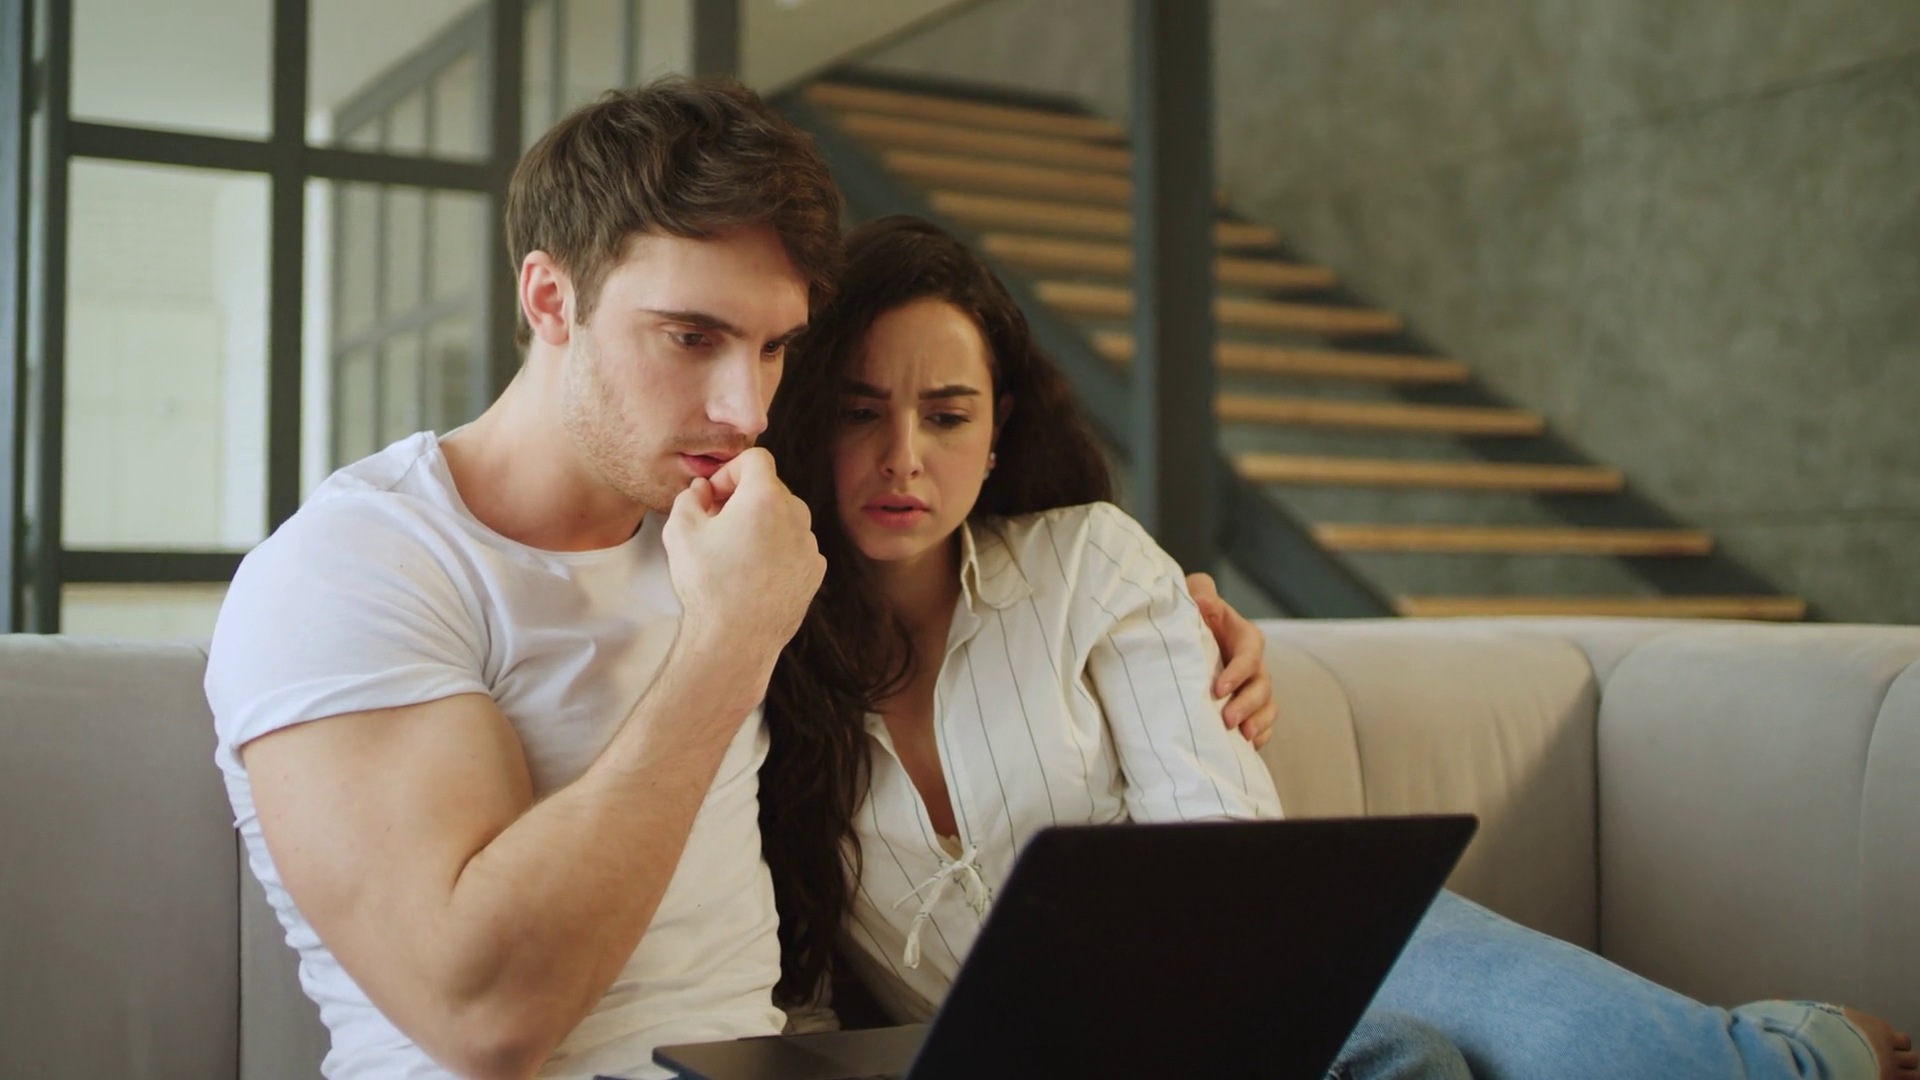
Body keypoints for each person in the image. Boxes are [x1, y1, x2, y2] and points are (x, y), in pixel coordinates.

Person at [203, 78, 1275, 1080]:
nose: (745, 410)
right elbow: (488, 1016)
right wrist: (726, 647)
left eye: (772, 349)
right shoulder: (356, 571)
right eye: (691, 336)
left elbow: (970, 568)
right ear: (549, 297)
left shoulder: (726, 521)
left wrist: (1187, 639)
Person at [754, 214, 1920, 1080]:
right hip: (1046, 1062)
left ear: (999, 431)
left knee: (1646, 1071)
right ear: (810, 416)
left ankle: (1799, 1051)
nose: (904, 455)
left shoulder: (1087, 564)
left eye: (947, 414)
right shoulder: (752, 647)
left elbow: (1229, 853)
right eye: (861, 410)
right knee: (1407, 1065)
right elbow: (786, 992)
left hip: (1258, 968)